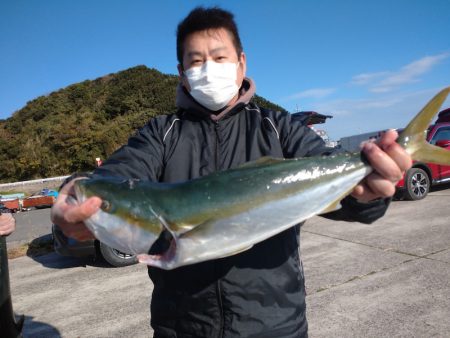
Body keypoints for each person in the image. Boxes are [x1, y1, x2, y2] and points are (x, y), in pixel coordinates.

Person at [51, 6, 412, 337]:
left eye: (219, 57)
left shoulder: (278, 127)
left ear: (241, 64)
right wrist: (74, 194)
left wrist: (371, 193)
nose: (208, 68)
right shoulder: (160, 134)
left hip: (276, 325)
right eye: (196, 61)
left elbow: (349, 195)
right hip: (183, 328)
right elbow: (111, 177)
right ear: (181, 74)